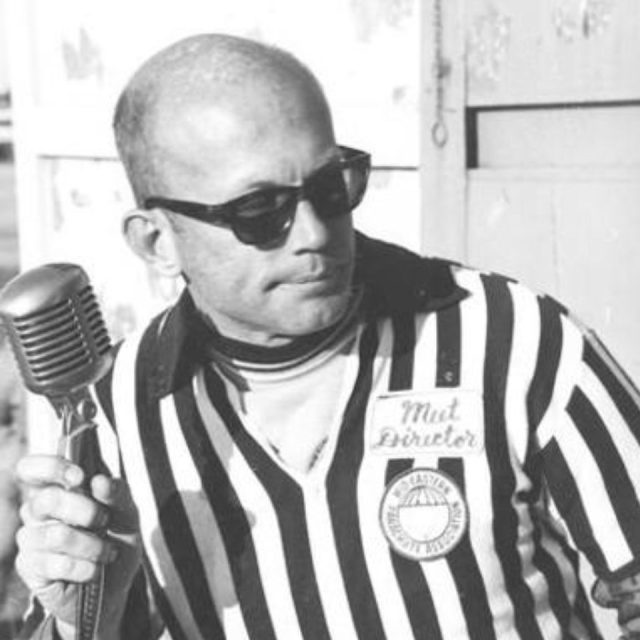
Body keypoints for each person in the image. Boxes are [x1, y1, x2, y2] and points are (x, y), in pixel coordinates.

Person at [12, 33, 640, 640]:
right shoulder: (113, 417)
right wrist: (84, 619)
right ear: (157, 240)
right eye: (259, 212)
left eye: (330, 187)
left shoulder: (511, 336)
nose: (313, 232)